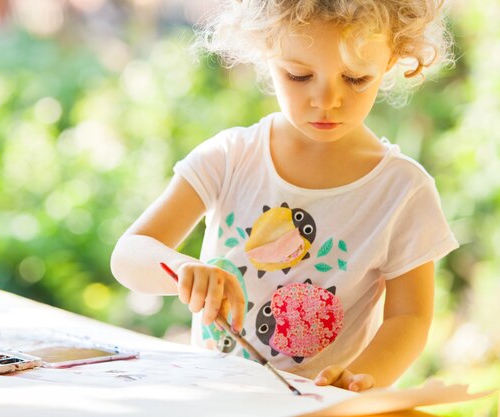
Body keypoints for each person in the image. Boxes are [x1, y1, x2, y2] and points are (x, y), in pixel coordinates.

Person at [111, 0, 458, 392]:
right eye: (298, 75)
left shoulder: (403, 191)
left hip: (317, 409)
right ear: (265, 51)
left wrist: (359, 380)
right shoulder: (230, 157)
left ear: (392, 58)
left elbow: (409, 317)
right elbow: (129, 254)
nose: (326, 100)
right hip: (212, 398)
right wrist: (178, 269)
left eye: (356, 78)